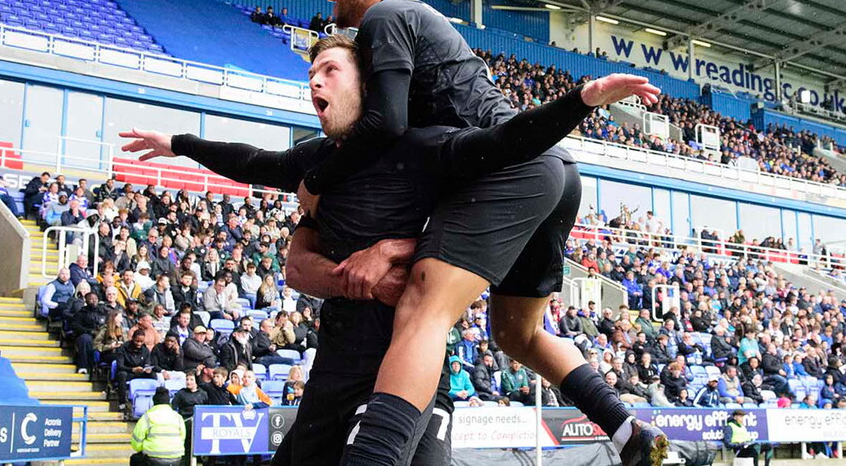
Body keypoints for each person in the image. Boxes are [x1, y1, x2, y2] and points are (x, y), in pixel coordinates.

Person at [120, 39, 656, 465]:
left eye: (330, 70)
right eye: (311, 74)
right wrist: (179, 144)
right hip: (338, 366)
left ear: (368, 85)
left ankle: (623, 426)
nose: (314, 81)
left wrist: (582, 100)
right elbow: (252, 161)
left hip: (410, 375)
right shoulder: (315, 161)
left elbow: (503, 143)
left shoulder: (421, 147)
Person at [296, 0, 666, 465]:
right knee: (517, 333)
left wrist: (317, 180)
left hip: (507, 167)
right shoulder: (418, 27)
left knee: (424, 308)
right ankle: (627, 430)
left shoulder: (386, 15)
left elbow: (387, 123)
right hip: (550, 167)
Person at [130, 387, 185, 466]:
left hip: (153, 459)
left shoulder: (147, 417)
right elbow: (182, 437)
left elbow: (136, 441)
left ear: (154, 402)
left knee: (135, 459)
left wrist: (145, 449)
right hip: (176, 458)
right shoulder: (178, 417)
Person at [171, 371, 208, 465]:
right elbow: (173, 407)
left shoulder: (203, 394)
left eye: (191, 379)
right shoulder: (181, 393)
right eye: (187, 379)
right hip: (185, 422)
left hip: (199, 423)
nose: (188, 382)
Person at [116, 329, 155, 412]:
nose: (139, 344)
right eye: (137, 341)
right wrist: (132, 369)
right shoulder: (123, 349)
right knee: (121, 375)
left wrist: (147, 369)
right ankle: (122, 402)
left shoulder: (145, 350)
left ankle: (151, 400)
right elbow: (120, 366)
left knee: (153, 375)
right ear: (132, 338)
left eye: (141, 341)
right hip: (128, 372)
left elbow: (147, 363)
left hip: (140, 372)